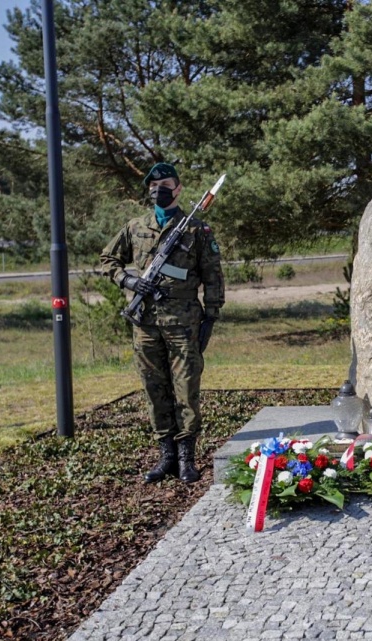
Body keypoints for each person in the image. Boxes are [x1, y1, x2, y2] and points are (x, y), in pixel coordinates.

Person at [101, 162, 225, 484]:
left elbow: (213, 276)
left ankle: (187, 457)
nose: (159, 190)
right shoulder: (135, 227)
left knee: (186, 389)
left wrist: (211, 314)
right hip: (145, 323)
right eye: (153, 186)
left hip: (184, 323)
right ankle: (166, 454)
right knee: (154, 388)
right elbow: (107, 260)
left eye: (165, 184)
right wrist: (128, 281)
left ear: (178, 188)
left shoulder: (196, 229)